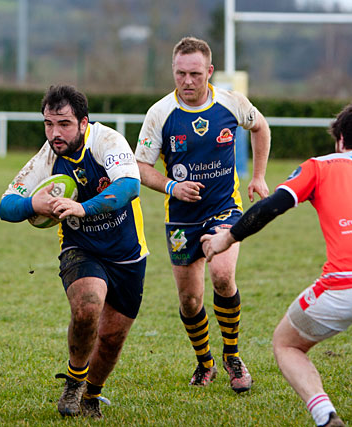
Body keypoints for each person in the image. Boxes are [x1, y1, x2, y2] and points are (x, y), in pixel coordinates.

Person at [201, 98, 352, 427]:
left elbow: (270, 207)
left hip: (347, 283)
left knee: (286, 344)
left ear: (340, 139)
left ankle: (326, 416)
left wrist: (225, 239)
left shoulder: (321, 165)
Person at [0, 84, 148, 419]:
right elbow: (5, 206)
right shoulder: (48, 157)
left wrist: (84, 208)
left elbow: (130, 185)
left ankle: (91, 395)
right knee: (87, 307)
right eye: (49, 124)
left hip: (128, 252)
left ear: (83, 122)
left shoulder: (107, 142)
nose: (55, 133)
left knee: (111, 338)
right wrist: (31, 204)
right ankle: (75, 379)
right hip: (81, 248)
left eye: (63, 124)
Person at [134, 36, 271, 393]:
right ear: (173, 72)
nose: (188, 81)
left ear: (209, 71)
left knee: (223, 276)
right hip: (181, 218)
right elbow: (141, 167)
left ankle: (233, 356)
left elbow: (261, 127)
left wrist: (257, 176)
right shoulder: (160, 113)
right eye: (181, 73)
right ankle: (204, 362)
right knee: (190, 299)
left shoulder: (230, 102)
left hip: (225, 208)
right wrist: (171, 187)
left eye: (195, 73)